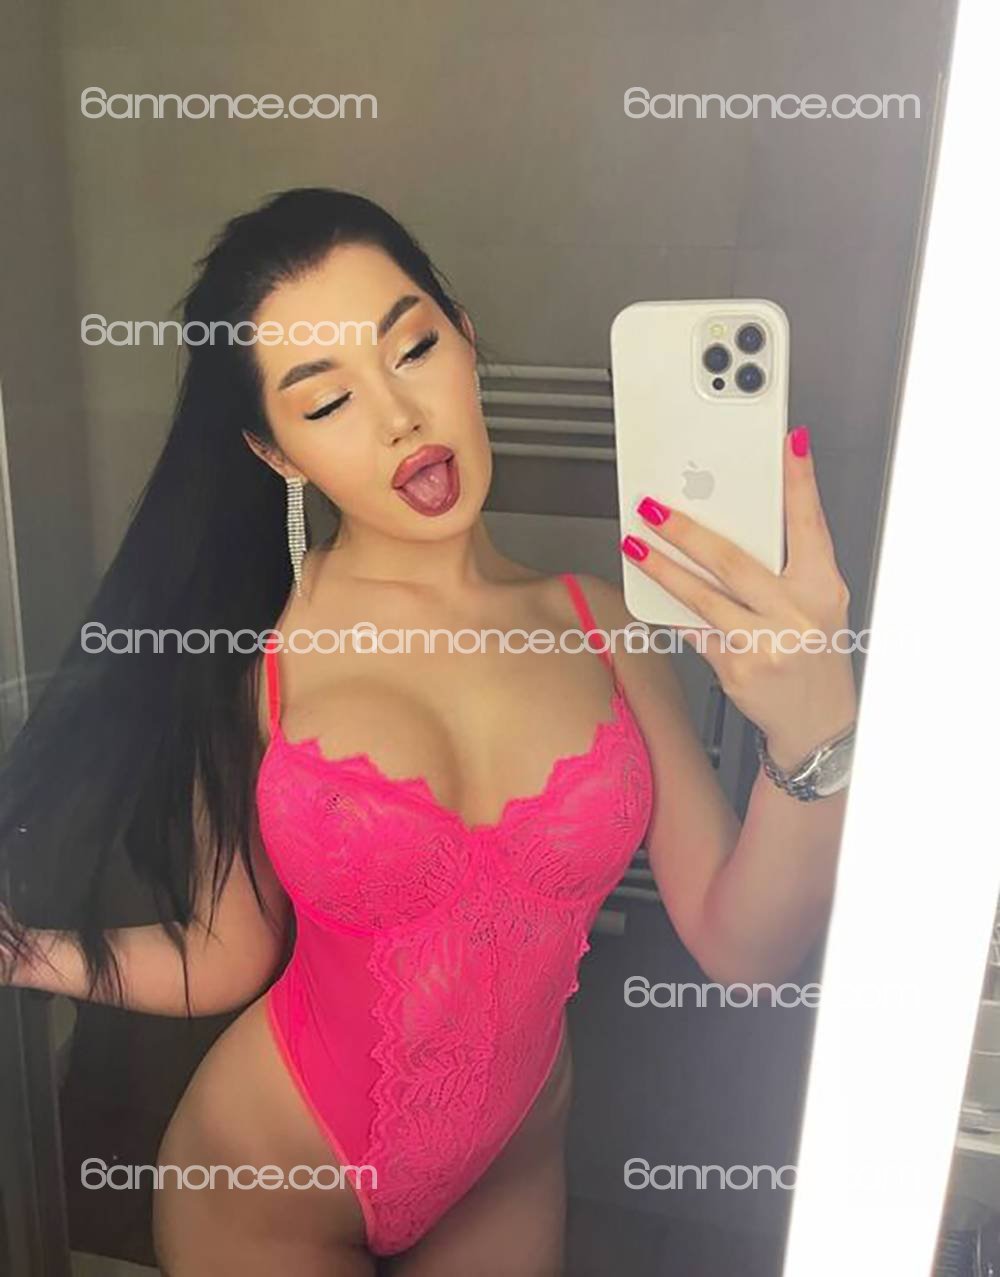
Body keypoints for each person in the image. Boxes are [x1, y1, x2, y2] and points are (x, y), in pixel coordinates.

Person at [0, 188, 857, 1276]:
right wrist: (23, 952)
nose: (399, 417)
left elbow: (746, 948)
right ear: (277, 452)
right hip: (267, 1185)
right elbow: (228, 953)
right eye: (327, 401)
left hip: (506, 1171)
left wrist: (815, 736)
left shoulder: (605, 629)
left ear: (462, 335)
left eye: (411, 347)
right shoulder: (254, 655)